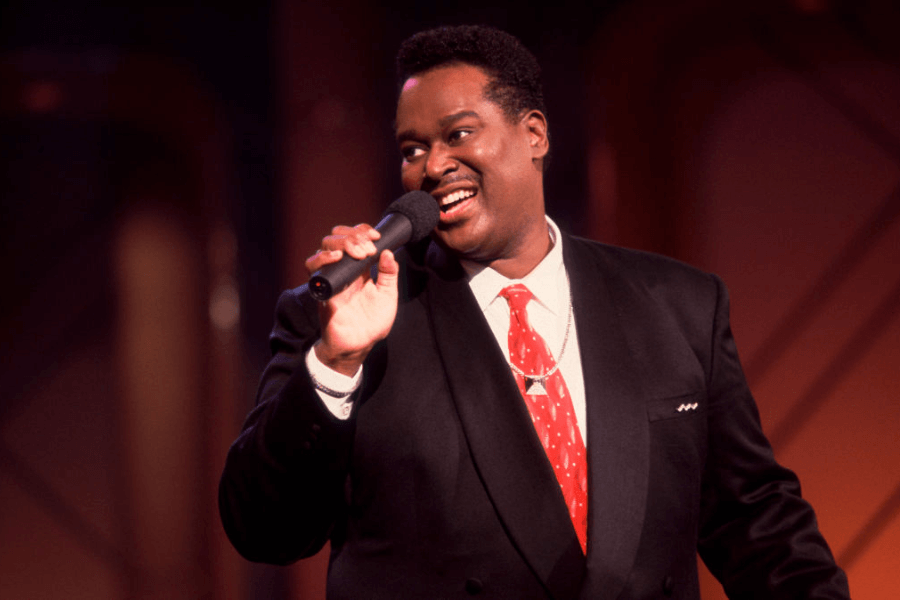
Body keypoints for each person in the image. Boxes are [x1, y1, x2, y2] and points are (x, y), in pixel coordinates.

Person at [219, 25, 850, 599]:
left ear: (535, 134)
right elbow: (265, 532)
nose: (434, 165)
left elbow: (758, 526)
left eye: (458, 134)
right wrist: (336, 362)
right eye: (413, 149)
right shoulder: (343, 319)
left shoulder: (679, 305)